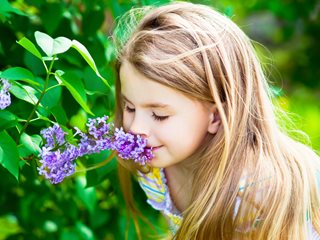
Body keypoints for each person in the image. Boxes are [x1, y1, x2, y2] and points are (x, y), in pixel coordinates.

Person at [112, 2, 320, 239]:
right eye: (129, 107)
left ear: (215, 116)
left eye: (159, 115)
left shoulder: (254, 194)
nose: (136, 128)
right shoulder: (155, 170)